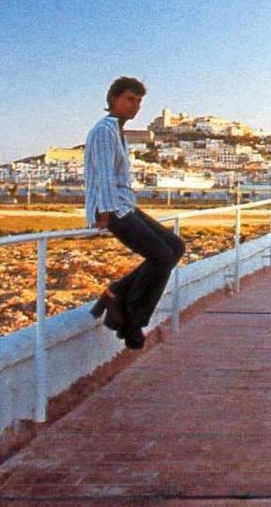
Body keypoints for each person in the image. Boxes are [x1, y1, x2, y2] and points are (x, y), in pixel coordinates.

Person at [85, 76, 184, 349]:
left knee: (175, 246)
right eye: (130, 99)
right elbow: (104, 174)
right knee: (161, 255)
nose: (136, 105)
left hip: (124, 203)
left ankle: (116, 292)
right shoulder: (105, 130)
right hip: (113, 207)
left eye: (139, 101)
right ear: (113, 99)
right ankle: (133, 321)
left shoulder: (117, 130)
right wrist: (104, 213)